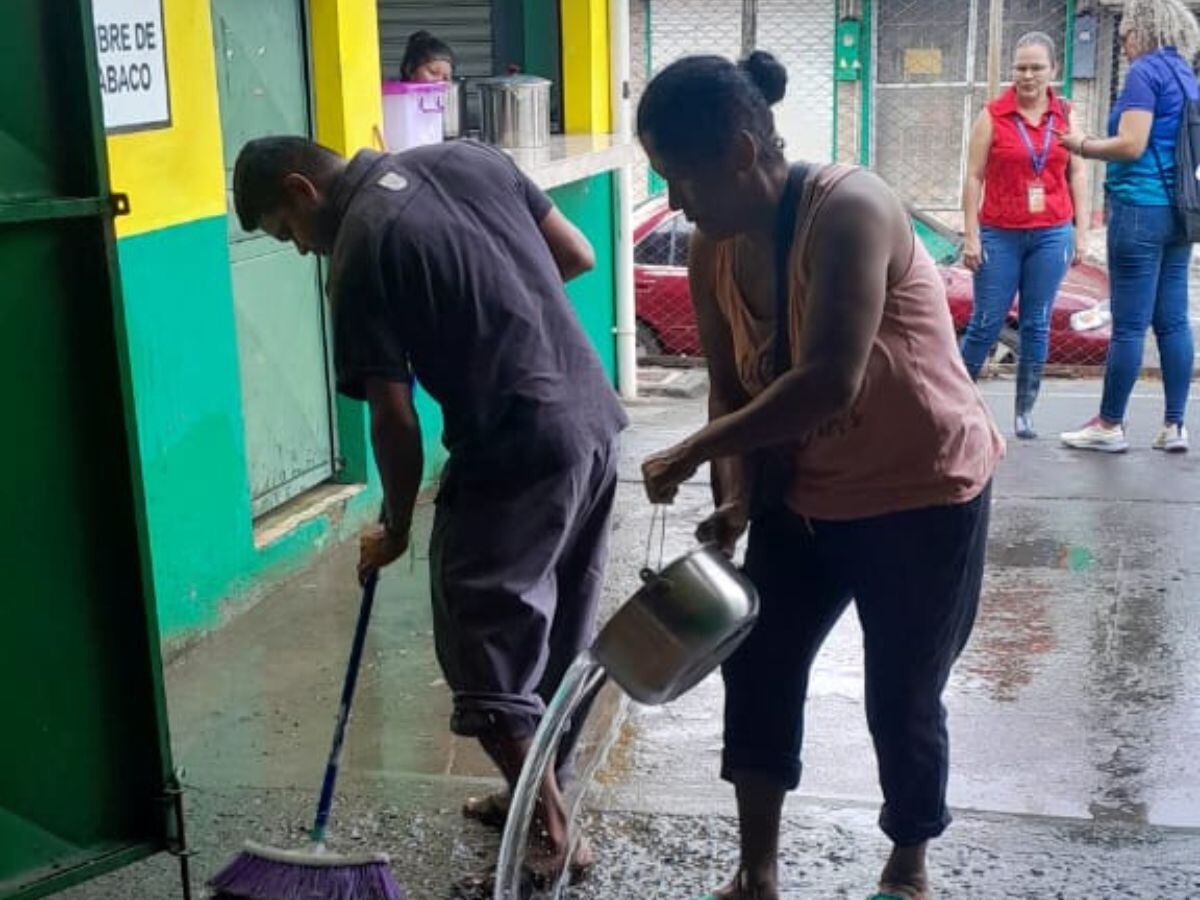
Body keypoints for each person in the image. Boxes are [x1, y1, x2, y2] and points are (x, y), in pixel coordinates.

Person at [637, 52, 1004, 900]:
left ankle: (908, 865)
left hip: (921, 493)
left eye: (680, 178)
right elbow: (730, 388)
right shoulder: (713, 251)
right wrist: (731, 500)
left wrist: (693, 452)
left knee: (901, 693)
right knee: (757, 666)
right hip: (803, 497)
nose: (677, 203)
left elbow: (828, 379)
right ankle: (757, 870)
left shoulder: (851, 210)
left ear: (737, 152)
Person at [231, 135, 627, 883]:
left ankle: (552, 831)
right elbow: (576, 254)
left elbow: (394, 420)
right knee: (557, 627)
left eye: (287, 233)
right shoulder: (470, 158)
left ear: (301, 190)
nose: (298, 251)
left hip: (513, 444)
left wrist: (398, 525)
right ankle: (535, 789)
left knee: (483, 644)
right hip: (593, 422)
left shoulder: (359, 250)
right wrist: (498, 310)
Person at [1058, 0, 1200, 453]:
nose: (1122, 42)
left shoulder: (1145, 73)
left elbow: (1132, 144)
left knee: (1129, 325)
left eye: (1125, 34)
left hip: (1139, 209)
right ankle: (1175, 425)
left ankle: (1110, 424)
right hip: (1180, 213)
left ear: (1144, 29)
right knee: (1173, 321)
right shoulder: (1186, 77)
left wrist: (1081, 144)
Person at [961, 31, 1089, 440]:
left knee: (1036, 323)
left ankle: (1024, 412)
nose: (1027, 75)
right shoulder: (993, 115)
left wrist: (1081, 232)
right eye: (1021, 67)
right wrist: (971, 235)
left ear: (1054, 70)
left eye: (1036, 67)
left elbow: (1079, 172)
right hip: (1000, 233)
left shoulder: (1065, 114)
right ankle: (957, 405)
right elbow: (973, 176)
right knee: (985, 322)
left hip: (1051, 232)